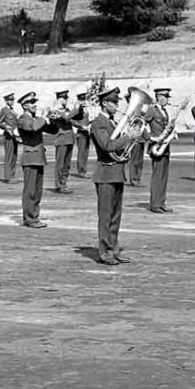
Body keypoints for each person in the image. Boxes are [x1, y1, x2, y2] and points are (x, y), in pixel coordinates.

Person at [89, 87, 130, 264]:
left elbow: (117, 147)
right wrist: (128, 137)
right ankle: (105, 252)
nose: (116, 105)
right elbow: (107, 145)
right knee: (106, 216)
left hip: (116, 173)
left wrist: (126, 150)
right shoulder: (98, 123)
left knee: (115, 216)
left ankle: (113, 249)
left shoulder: (113, 122)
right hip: (105, 173)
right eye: (113, 102)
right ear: (104, 103)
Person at [16, 92, 50, 228]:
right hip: (30, 157)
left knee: (37, 191)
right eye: (31, 103)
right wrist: (44, 117)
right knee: (30, 191)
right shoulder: (23, 119)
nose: (35, 105)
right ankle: (29, 218)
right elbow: (32, 128)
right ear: (24, 106)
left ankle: (35, 217)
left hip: (39, 157)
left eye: (35, 102)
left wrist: (53, 119)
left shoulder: (36, 119)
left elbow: (53, 130)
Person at [144, 87, 175, 212]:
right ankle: (155, 204)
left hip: (165, 147)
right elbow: (139, 125)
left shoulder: (164, 111)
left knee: (163, 176)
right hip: (156, 147)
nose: (167, 100)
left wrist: (172, 132)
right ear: (159, 97)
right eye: (166, 97)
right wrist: (151, 138)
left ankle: (161, 203)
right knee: (157, 176)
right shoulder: (152, 110)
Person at [49, 91, 76, 193]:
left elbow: (73, 120)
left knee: (67, 164)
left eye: (66, 98)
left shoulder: (67, 110)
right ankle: (58, 185)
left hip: (69, 139)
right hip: (61, 139)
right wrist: (76, 109)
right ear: (59, 99)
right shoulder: (55, 110)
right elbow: (66, 118)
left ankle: (64, 183)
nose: (66, 100)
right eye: (64, 98)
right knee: (60, 164)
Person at [0, 91, 19, 184]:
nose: (11, 101)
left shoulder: (13, 111)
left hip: (15, 136)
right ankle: (8, 176)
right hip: (8, 136)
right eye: (10, 100)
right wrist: (6, 127)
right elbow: (0, 123)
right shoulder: (4, 110)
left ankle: (12, 175)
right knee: (9, 156)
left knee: (14, 156)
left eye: (12, 100)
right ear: (6, 101)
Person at [70, 90, 91, 177]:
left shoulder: (84, 108)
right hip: (81, 132)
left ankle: (84, 170)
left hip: (87, 132)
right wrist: (81, 126)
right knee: (82, 152)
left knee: (86, 152)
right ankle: (81, 171)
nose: (84, 100)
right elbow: (72, 120)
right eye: (82, 99)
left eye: (84, 98)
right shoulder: (77, 108)